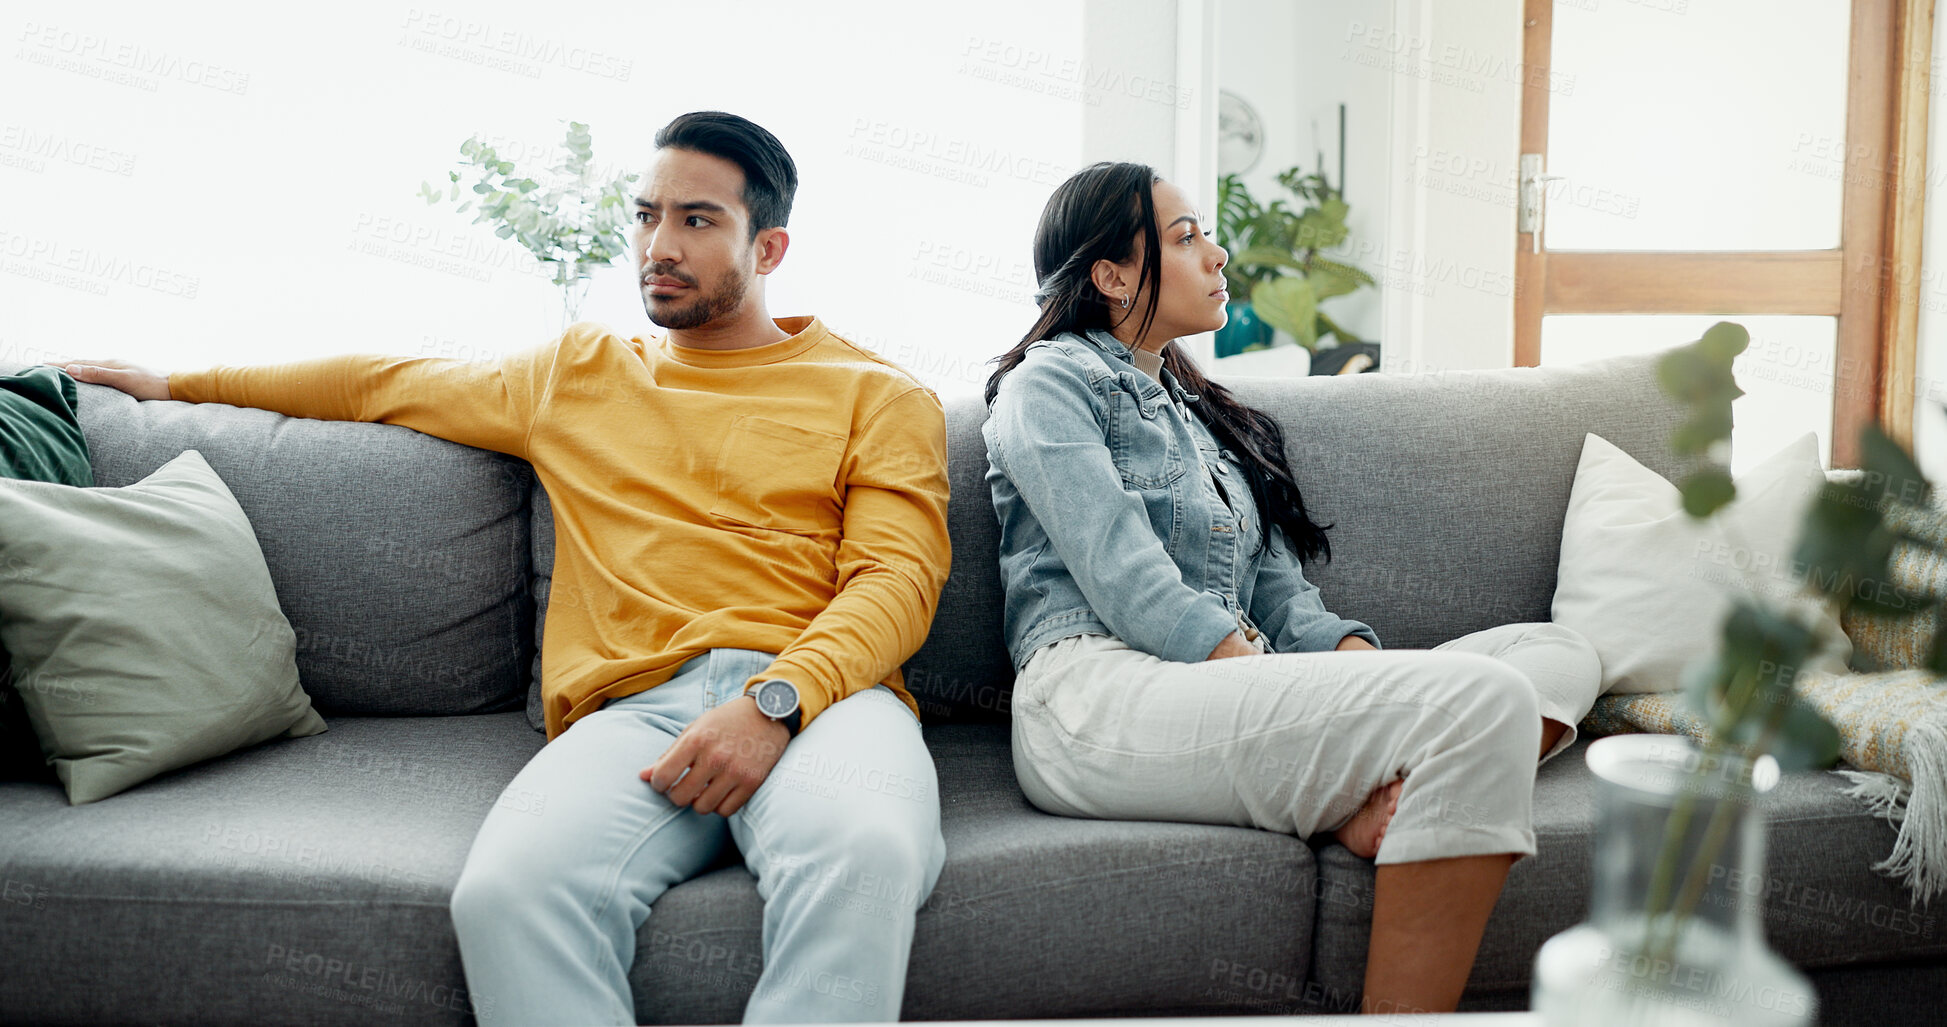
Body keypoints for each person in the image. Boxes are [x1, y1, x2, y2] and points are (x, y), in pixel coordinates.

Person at [54, 111, 952, 1026]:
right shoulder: (580, 373)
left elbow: (896, 581)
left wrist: (776, 701)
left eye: (695, 220)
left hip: (824, 700)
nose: (657, 245)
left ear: (768, 246)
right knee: (506, 895)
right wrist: (181, 384)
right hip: (635, 707)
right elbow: (382, 381)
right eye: (645, 215)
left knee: (866, 859)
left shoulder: (877, 394)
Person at [980, 161, 1602, 1016]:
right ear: (1111, 275)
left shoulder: (1203, 416)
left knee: (1555, 651)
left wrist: (1355, 672)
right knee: (1482, 701)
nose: (1217, 252)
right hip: (1097, 695)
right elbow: (1123, 576)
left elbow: (1283, 602)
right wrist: (1333, 692)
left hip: (1225, 682)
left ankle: (1379, 792)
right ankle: (1374, 793)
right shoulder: (1046, 384)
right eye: (1185, 237)